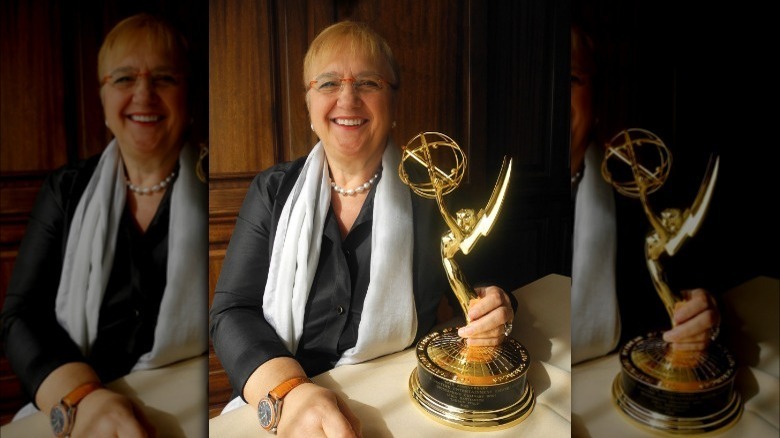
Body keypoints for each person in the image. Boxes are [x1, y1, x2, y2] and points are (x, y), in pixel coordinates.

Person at [209, 21, 515, 437]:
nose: (347, 98)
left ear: (392, 102)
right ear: (309, 104)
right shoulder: (272, 190)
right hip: (283, 399)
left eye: (368, 82)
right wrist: (291, 391)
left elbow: (488, 284)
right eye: (329, 83)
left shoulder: (435, 191)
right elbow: (232, 312)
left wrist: (495, 307)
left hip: (401, 405)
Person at [0, 14, 207, 437]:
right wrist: (83, 399)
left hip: (195, 403)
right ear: (102, 97)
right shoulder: (66, 188)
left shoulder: (220, 186)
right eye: (124, 79)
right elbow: (21, 316)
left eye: (164, 78)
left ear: (189, 95)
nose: (143, 94)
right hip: (82, 403)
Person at [570, 23, 720, 364]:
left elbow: (693, 290)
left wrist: (700, 315)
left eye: (572, 79)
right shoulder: (505, 203)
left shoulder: (641, 193)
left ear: (597, 98)